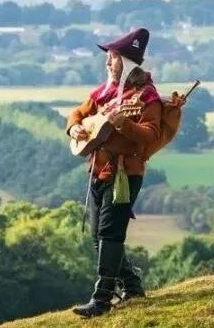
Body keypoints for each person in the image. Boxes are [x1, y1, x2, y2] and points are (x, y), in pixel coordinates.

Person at [67, 28, 162, 317]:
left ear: (127, 63)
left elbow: (150, 134)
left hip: (125, 174)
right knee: (98, 236)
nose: (108, 64)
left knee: (110, 234)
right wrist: (74, 128)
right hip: (98, 170)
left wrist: (123, 123)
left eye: (113, 58)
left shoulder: (147, 96)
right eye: (108, 58)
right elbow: (77, 114)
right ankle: (132, 285)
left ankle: (102, 299)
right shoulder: (103, 92)